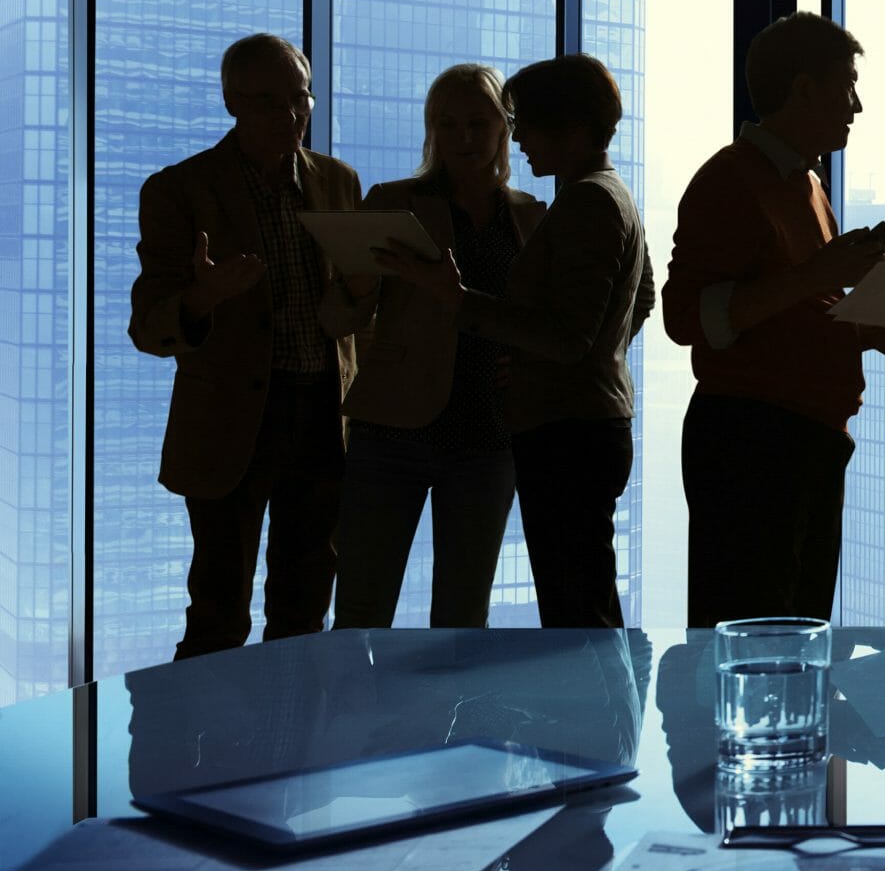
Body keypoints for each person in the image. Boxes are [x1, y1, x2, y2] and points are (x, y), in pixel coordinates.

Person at [662, 12, 885, 628]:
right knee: (754, 635)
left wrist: (874, 331)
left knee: (796, 630)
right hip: (752, 441)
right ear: (804, 89)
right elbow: (687, 317)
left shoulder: (808, 184)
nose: (856, 106)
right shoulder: (729, 179)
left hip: (805, 439)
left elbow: (800, 313)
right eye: (846, 85)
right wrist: (816, 275)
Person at [377, 54, 652, 629]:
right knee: (586, 606)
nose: (518, 136)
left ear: (570, 130)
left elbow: (570, 336)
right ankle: (606, 719)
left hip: (567, 433)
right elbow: (640, 297)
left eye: (521, 122)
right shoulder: (610, 192)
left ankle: (599, 721)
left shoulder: (585, 201)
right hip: (586, 424)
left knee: (576, 614)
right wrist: (589, 356)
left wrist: (459, 300)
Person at [129, 33, 362, 659]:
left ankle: (292, 753)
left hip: (321, 417)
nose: (291, 117)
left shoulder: (339, 182)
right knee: (218, 613)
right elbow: (149, 325)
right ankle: (204, 756)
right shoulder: (180, 190)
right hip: (230, 425)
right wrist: (204, 298)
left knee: (305, 606)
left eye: (300, 98)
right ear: (232, 102)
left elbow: (351, 307)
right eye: (268, 103)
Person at [327, 64, 546, 629]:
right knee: (361, 606)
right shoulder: (392, 203)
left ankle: (444, 720)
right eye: (447, 125)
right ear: (431, 131)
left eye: (478, 123)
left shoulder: (530, 217)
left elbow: (545, 322)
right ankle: (353, 718)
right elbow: (338, 317)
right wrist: (356, 283)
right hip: (393, 427)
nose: (463, 138)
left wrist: (526, 365)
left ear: (505, 127)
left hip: (488, 434)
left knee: (463, 613)